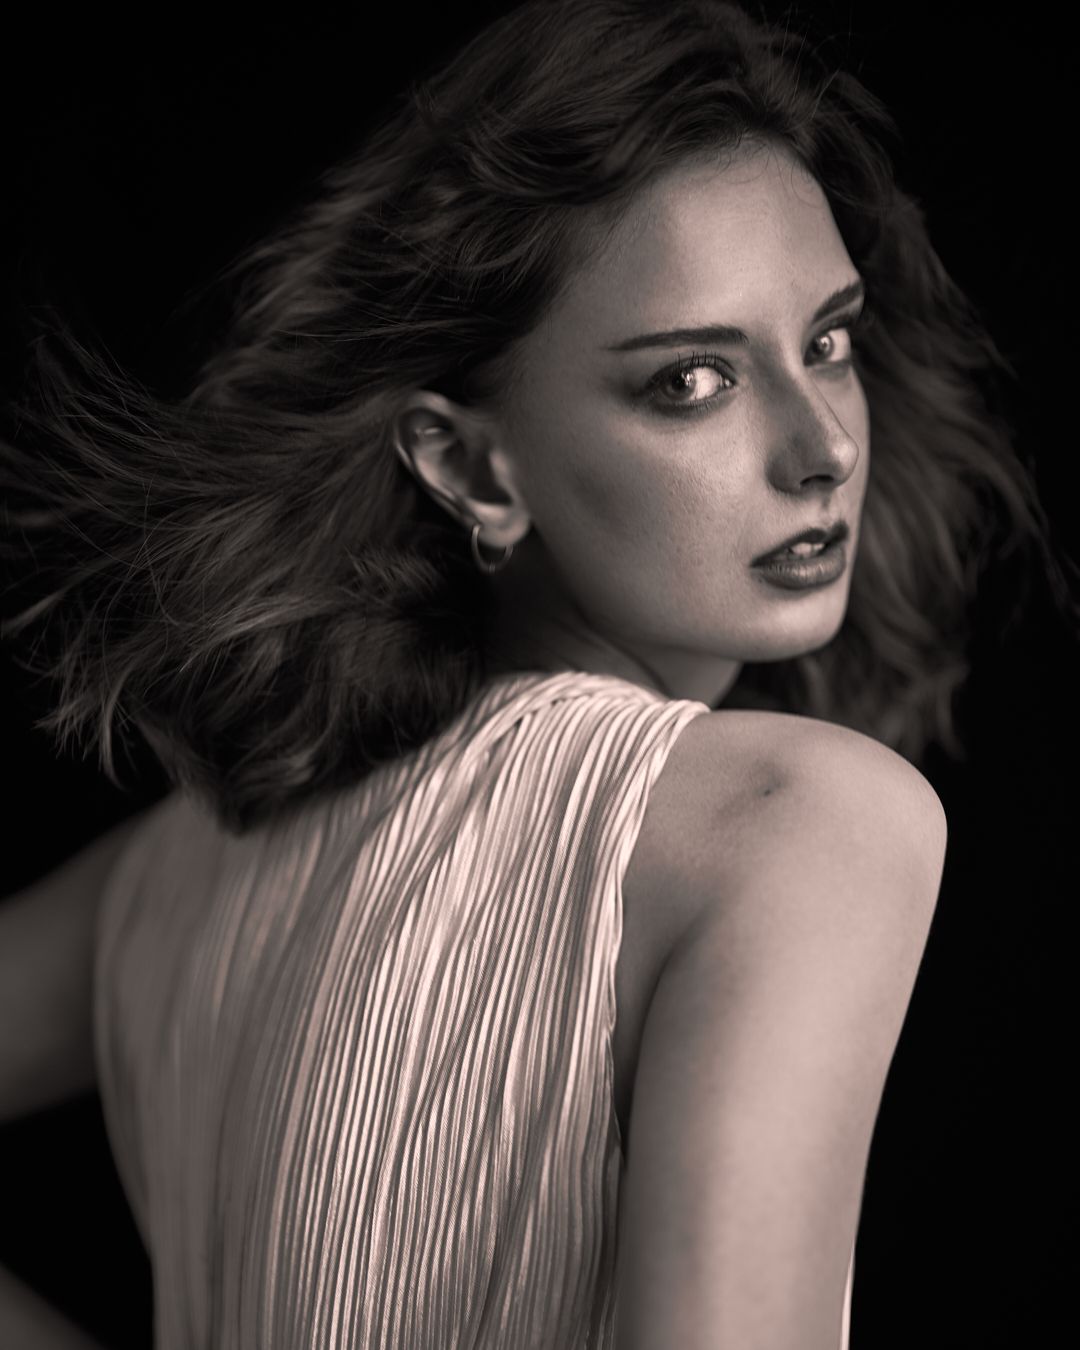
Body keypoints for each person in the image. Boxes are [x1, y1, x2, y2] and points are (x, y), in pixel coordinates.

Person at [0, 1, 1073, 1346]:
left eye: (829, 341)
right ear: (472, 469)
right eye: (692, 380)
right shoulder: (798, 825)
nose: (825, 448)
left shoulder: (175, 868)